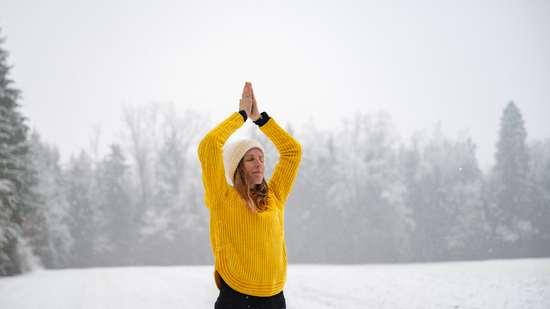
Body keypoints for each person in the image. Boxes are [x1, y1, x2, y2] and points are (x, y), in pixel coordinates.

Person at [198, 82, 301, 309]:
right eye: (250, 159)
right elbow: (209, 145)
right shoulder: (222, 197)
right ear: (238, 167)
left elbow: (292, 152)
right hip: (237, 296)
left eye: (261, 158)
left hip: (275, 297)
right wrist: (242, 116)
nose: (259, 164)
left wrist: (261, 120)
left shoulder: (275, 196)